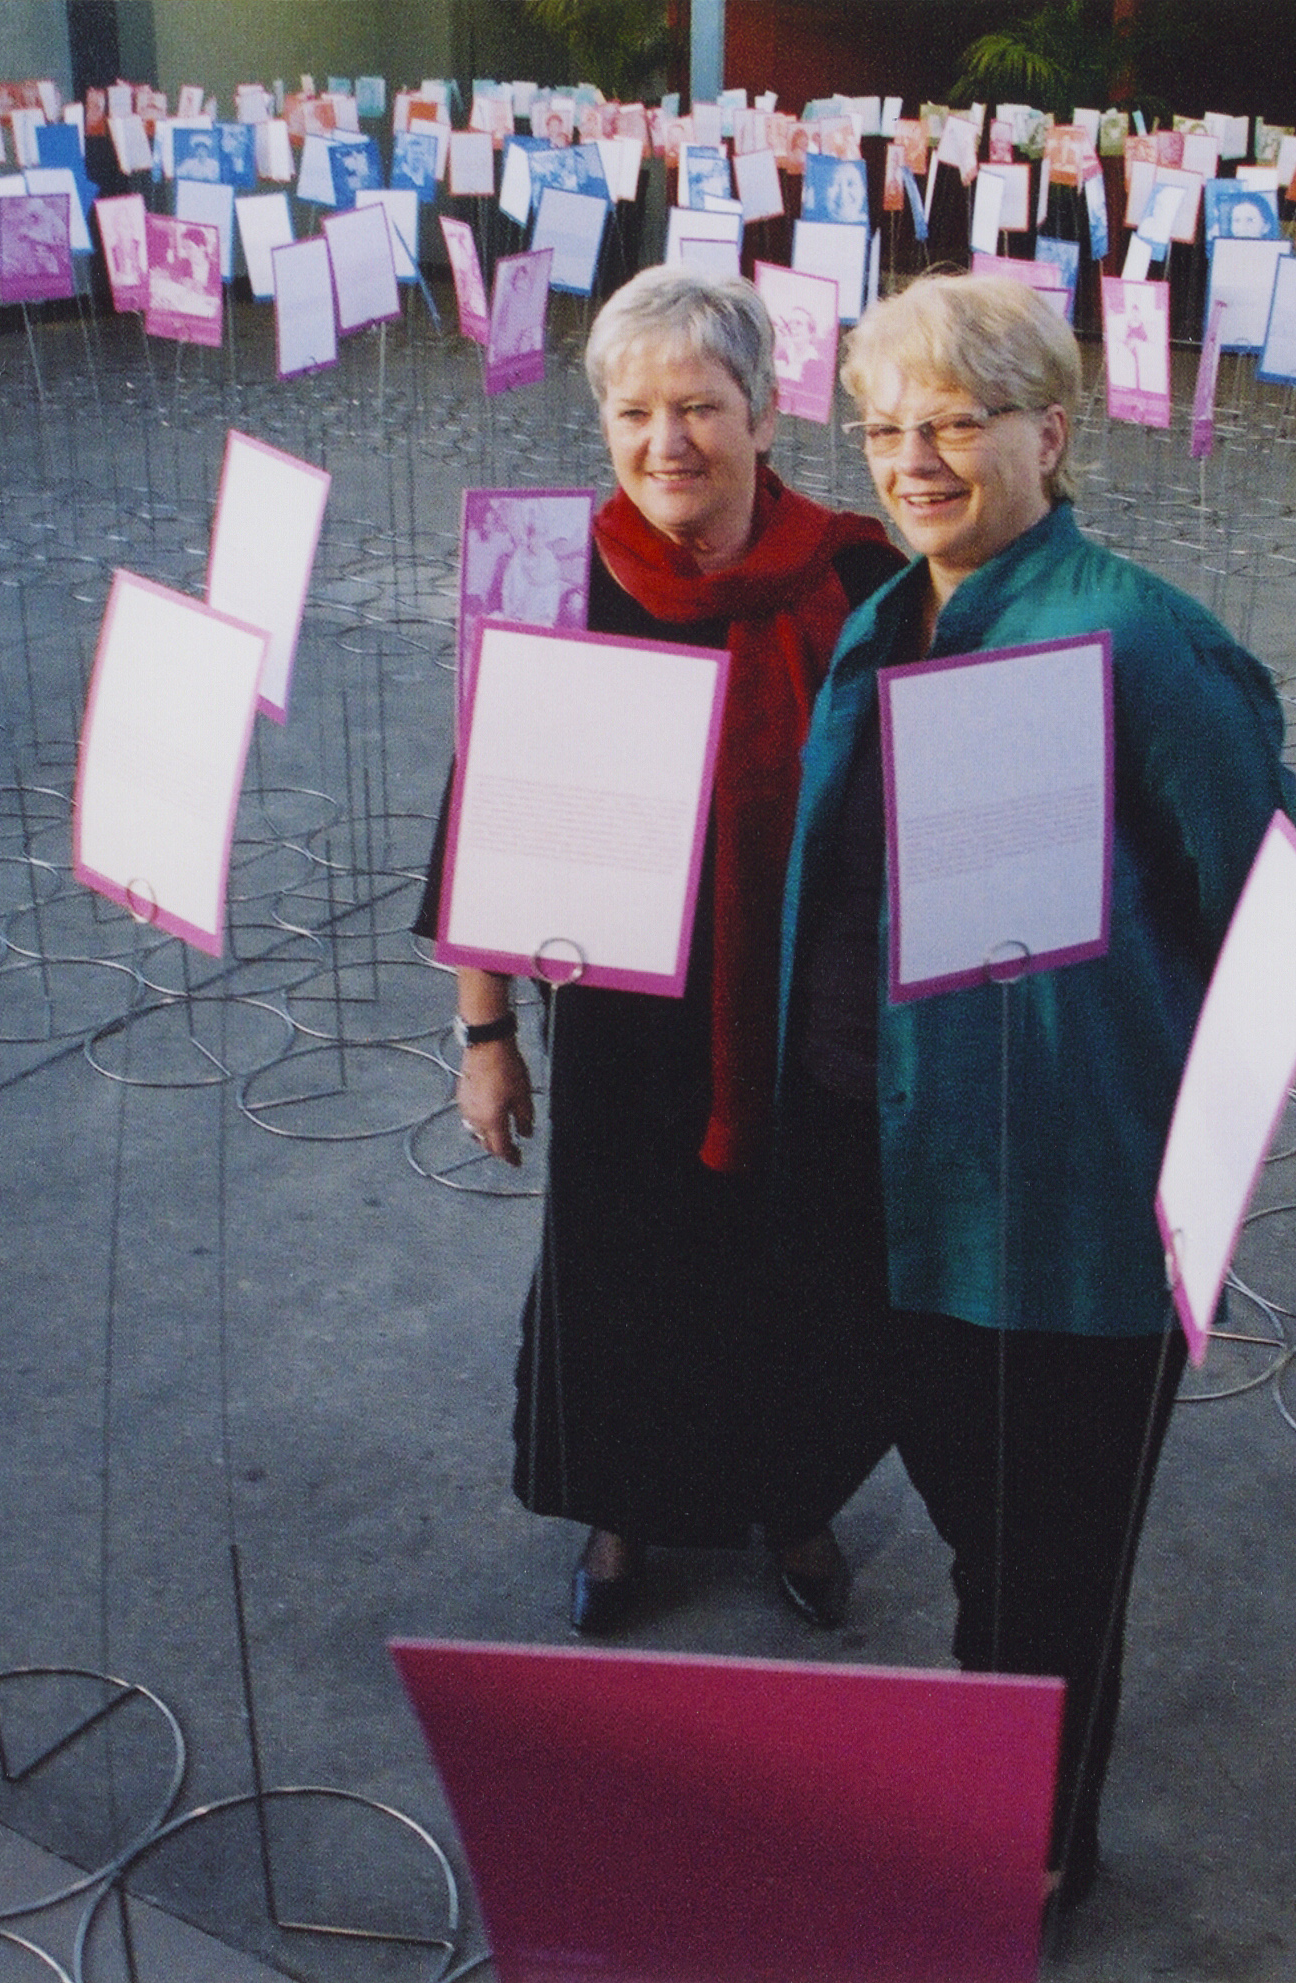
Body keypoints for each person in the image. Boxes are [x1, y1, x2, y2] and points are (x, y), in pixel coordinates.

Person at [776, 272, 1296, 1905]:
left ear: (1048, 432)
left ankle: (1030, 1862)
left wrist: (1156, 1119)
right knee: (978, 1534)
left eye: (954, 422)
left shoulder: (1136, 634)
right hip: (901, 1174)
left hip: (1068, 1207)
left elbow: (1262, 901)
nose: (913, 458)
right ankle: (986, 1807)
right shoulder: (890, 616)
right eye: (883, 426)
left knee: (1049, 1569)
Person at [424, 265, 902, 1634]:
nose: (665, 443)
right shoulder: (553, 577)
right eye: (634, 412)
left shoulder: (861, 573)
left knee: (804, 1269)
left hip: (813, 1019)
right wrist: (487, 1035)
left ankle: (793, 1501)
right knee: (626, 1276)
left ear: (763, 413)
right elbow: (485, 822)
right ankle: (624, 1512)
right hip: (630, 1021)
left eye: (700, 405)